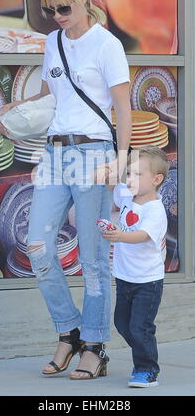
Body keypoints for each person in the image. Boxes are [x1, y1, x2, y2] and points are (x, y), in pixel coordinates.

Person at [0, 0, 131, 380]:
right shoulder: (53, 42)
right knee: (37, 248)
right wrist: (16, 109)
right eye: (51, 10)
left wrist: (121, 159)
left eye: (64, 8)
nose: (57, 17)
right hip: (53, 155)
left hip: (94, 156)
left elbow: (122, 107)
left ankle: (94, 344)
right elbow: (53, 97)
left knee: (92, 259)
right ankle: (68, 331)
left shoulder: (107, 45)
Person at [101, 146, 169, 387]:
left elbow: (141, 235)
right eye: (128, 173)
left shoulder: (155, 210)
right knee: (122, 323)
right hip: (124, 277)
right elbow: (113, 187)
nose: (130, 179)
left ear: (156, 179)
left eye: (137, 175)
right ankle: (144, 349)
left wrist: (119, 236)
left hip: (147, 281)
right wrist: (108, 173)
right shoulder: (128, 196)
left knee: (140, 326)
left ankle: (147, 369)